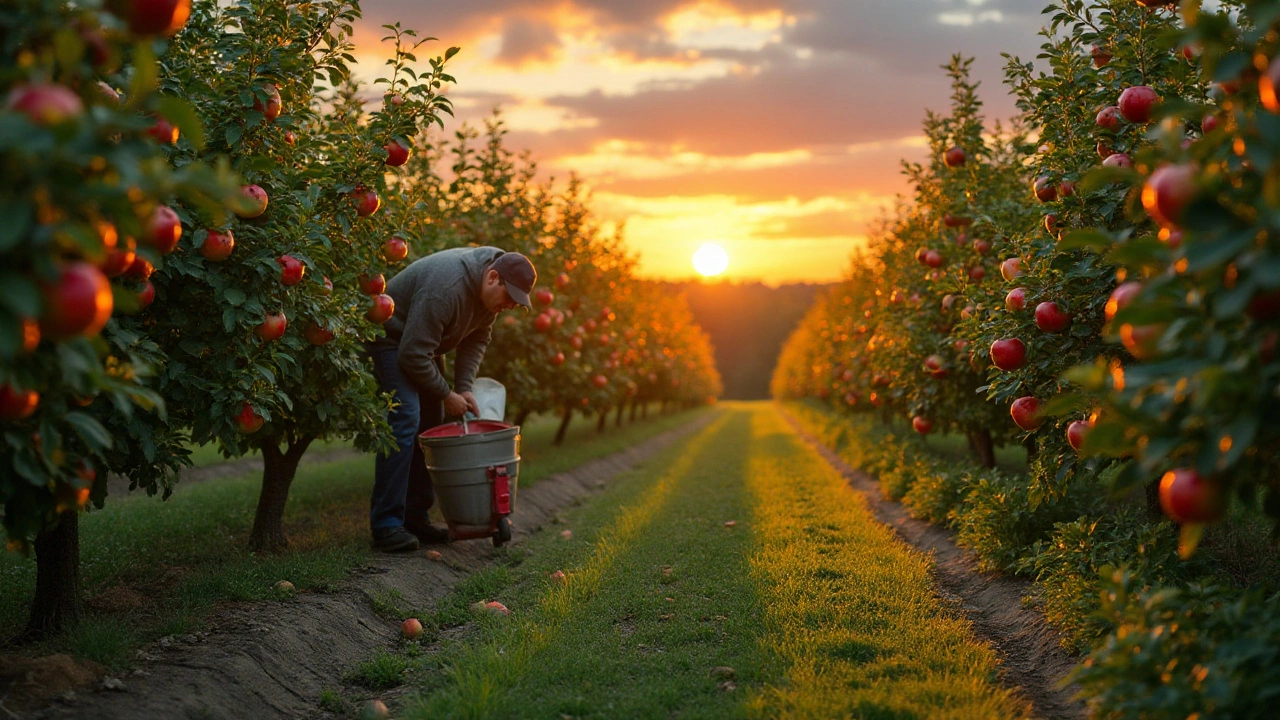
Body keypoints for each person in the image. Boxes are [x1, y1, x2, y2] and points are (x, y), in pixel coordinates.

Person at [367, 246, 536, 552]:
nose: (510, 305)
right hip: (392, 337)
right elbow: (411, 354)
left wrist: (464, 386)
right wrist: (447, 394)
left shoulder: (490, 299)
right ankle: (386, 525)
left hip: (423, 346)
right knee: (406, 417)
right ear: (493, 277)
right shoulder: (446, 288)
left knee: (431, 428)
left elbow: (477, 339)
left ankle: (415, 518)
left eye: (517, 301)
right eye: (509, 296)